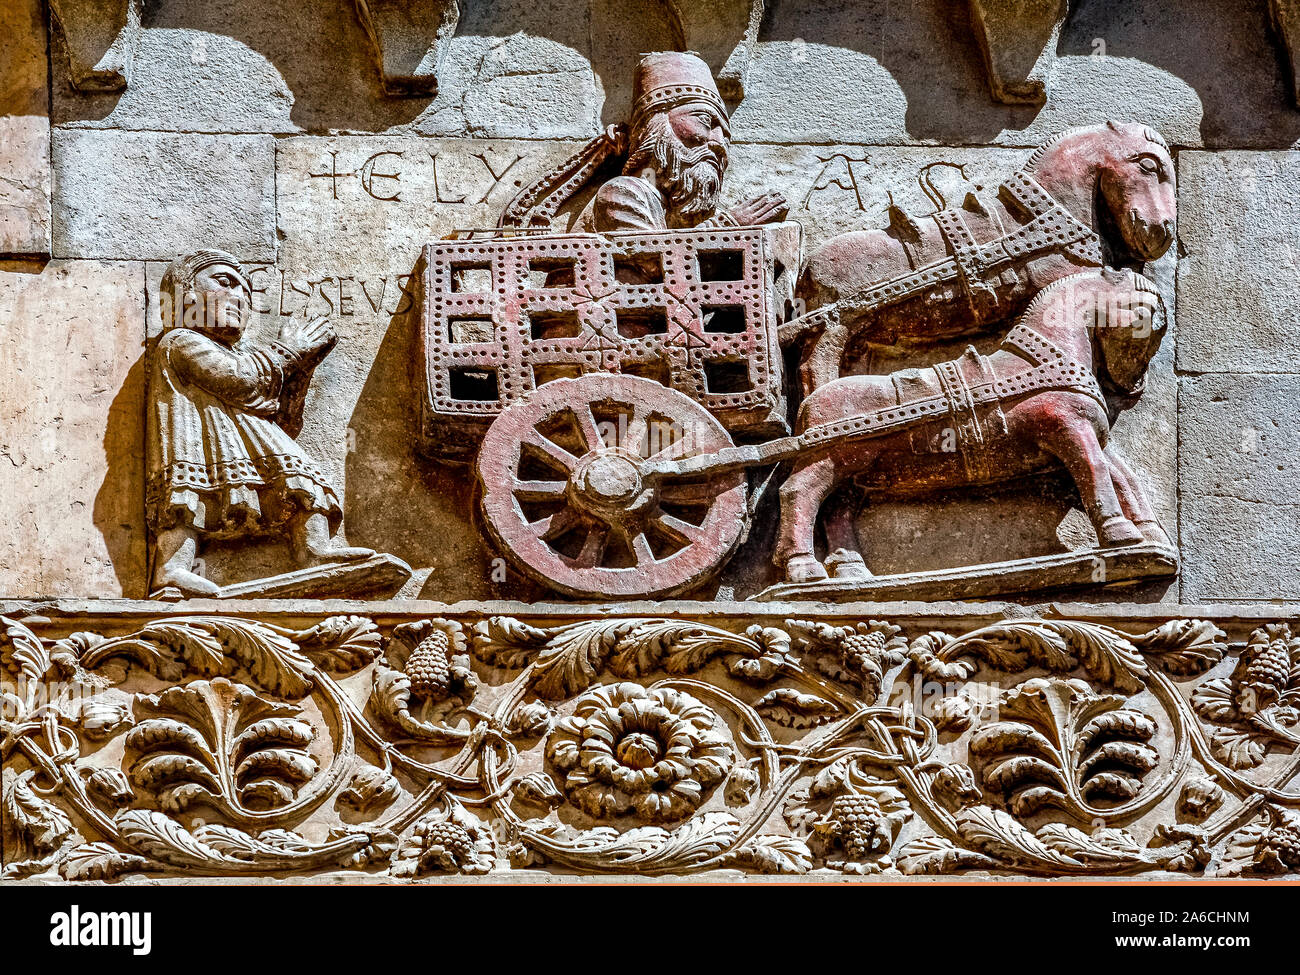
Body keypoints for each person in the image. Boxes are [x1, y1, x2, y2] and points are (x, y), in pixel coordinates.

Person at [146, 249, 372, 596]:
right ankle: (171, 569)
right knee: (186, 500)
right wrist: (289, 351)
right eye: (225, 282)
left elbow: (283, 421)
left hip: (248, 440)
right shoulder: (182, 341)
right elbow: (239, 380)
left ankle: (313, 552)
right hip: (200, 443)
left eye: (246, 292)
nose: (238, 296)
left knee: (302, 478)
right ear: (185, 294)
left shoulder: (241, 353)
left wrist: (301, 370)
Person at [573, 51, 788, 234]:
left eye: (724, 133)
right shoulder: (623, 191)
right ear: (653, 125)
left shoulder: (694, 211)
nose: (719, 143)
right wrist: (729, 225)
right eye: (704, 121)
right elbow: (652, 264)